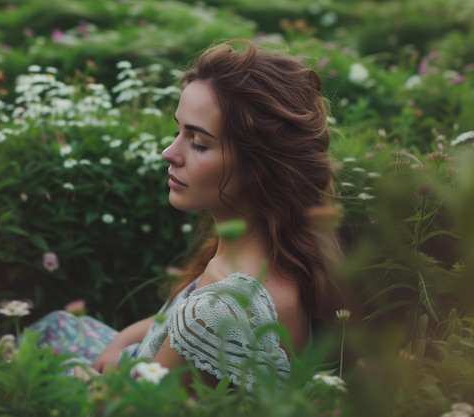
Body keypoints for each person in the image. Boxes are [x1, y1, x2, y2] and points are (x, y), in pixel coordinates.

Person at [30, 38, 343, 391]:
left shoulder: (222, 310)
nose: (168, 152)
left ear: (260, 167)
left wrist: (85, 378)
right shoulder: (272, 252)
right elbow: (172, 317)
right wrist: (120, 343)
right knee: (58, 326)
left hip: (118, 392)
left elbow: (135, 409)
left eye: (198, 142)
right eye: (178, 130)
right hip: (132, 361)